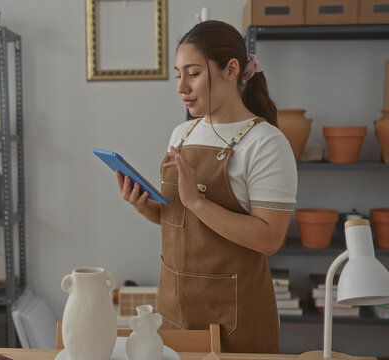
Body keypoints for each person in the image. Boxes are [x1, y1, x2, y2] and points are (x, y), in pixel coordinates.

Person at [115, 20, 297, 353]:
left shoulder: (266, 143)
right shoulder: (181, 134)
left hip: (235, 318)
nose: (181, 86)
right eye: (177, 75)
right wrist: (144, 205)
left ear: (231, 69)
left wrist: (197, 203)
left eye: (193, 73)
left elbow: (270, 238)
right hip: (173, 308)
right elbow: (177, 220)